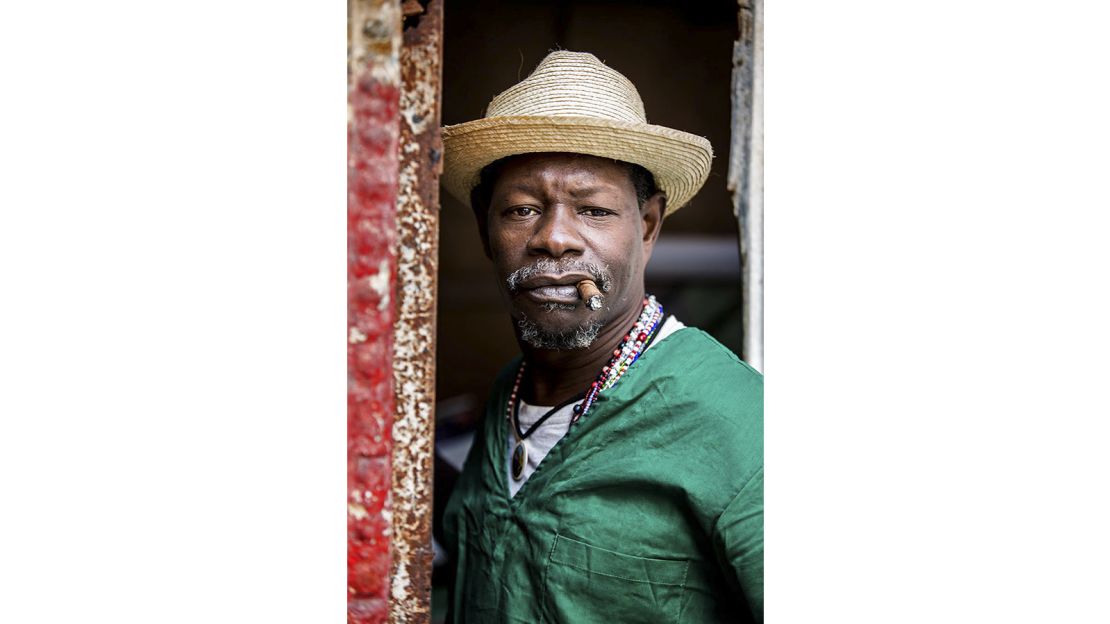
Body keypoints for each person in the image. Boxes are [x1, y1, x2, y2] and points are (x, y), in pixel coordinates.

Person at [440, 51, 763, 623]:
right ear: (484, 228)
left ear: (648, 225)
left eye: (593, 210)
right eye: (521, 210)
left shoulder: (736, 421)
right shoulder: (508, 397)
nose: (555, 239)